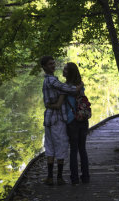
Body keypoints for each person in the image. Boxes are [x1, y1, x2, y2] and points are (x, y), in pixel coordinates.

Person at [40, 56, 81, 186]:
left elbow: (48, 102)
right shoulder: (52, 80)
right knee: (61, 146)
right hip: (57, 119)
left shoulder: (46, 81)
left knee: (50, 147)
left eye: (53, 63)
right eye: (50, 64)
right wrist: (79, 87)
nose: (53, 65)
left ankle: (50, 177)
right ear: (44, 67)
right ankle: (59, 177)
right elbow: (70, 89)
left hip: (48, 119)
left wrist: (52, 104)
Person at [63, 62, 90, 184]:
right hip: (83, 119)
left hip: (72, 120)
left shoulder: (65, 87)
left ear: (70, 73)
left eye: (65, 69)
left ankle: (74, 178)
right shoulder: (80, 85)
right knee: (82, 149)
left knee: (73, 150)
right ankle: (86, 177)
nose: (63, 70)